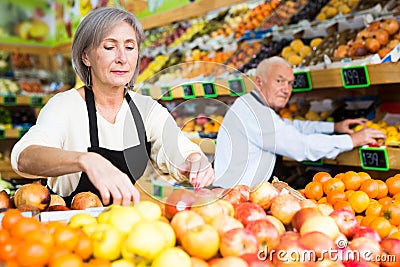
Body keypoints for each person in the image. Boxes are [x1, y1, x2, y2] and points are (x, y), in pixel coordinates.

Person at [10, 7, 214, 206]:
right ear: (86, 57)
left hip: (125, 228)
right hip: (70, 229)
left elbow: (180, 151)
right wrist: (86, 160)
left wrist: (194, 163)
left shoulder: (146, 110)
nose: (122, 58)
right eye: (109, 47)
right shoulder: (65, 106)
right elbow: (24, 157)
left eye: (130, 47)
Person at [213, 56, 386, 189]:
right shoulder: (256, 114)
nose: (286, 89)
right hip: (238, 199)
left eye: (290, 83)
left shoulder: (250, 104)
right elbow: (302, 147)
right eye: (279, 81)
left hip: (242, 193)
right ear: (259, 82)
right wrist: (352, 140)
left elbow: (290, 126)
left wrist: (334, 127)